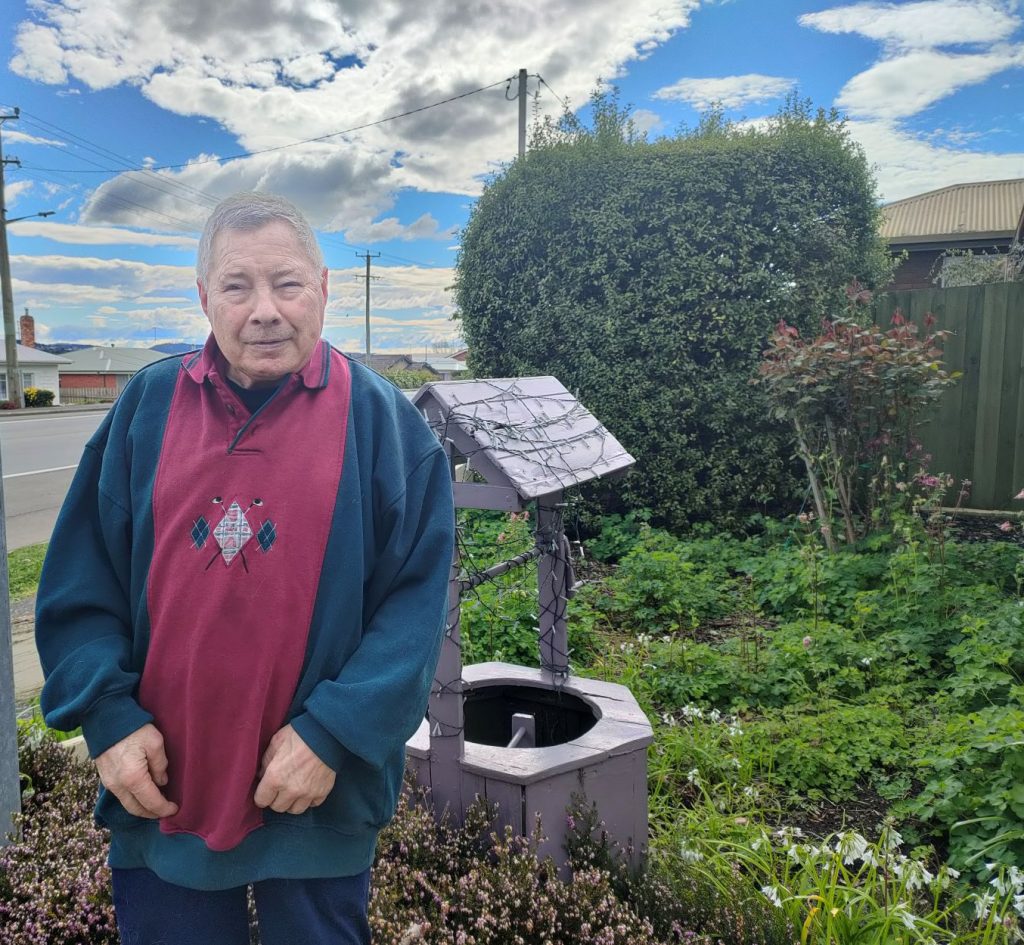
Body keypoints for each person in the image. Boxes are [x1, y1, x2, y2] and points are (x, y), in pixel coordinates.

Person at [35, 192, 454, 945]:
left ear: (324, 289)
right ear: (204, 297)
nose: (264, 309)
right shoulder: (145, 408)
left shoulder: (386, 428)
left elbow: (413, 611)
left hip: (317, 800)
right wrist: (108, 718)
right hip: (162, 796)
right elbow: (80, 583)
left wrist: (333, 733)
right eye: (237, 286)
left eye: (287, 283)